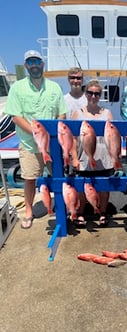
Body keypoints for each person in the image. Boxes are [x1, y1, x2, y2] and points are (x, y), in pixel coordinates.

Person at [4, 50, 67, 229]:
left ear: (42, 64)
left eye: (37, 61)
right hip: (29, 144)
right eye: (30, 62)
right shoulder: (17, 87)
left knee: (58, 177)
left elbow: (61, 113)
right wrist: (36, 133)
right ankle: (29, 211)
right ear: (25, 65)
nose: (34, 65)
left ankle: (61, 207)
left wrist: (54, 133)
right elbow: (15, 116)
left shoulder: (54, 87)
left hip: (52, 145)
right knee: (30, 178)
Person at [71, 79, 114, 226]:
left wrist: (115, 156)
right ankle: (81, 212)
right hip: (85, 158)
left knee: (104, 188)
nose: (93, 96)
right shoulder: (78, 114)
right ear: (85, 94)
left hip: (104, 157)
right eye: (90, 93)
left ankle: (102, 212)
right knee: (83, 188)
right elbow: (73, 140)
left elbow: (112, 138)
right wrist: (75, 158)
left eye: (97, 93)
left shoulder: (107, 113)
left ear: (100, 95)